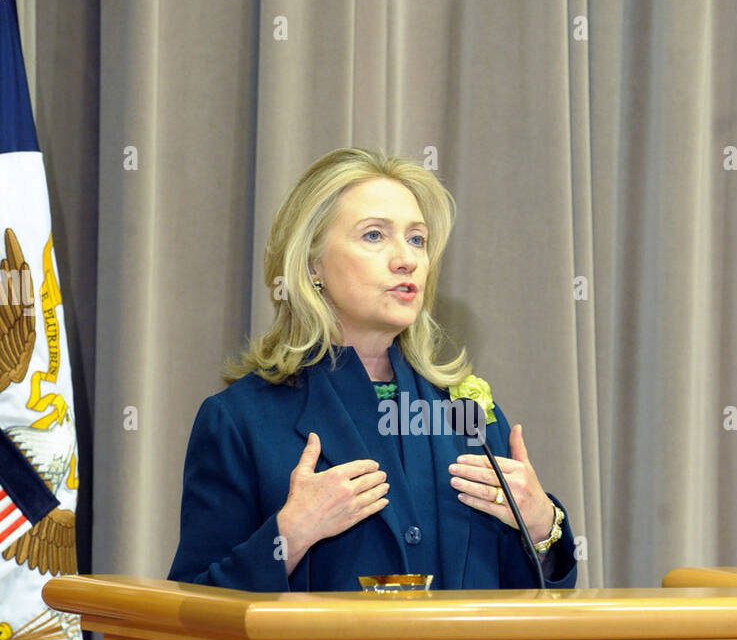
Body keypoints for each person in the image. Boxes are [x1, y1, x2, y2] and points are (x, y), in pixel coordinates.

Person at [167, 148, 578, 592]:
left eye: (417, 239)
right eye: (374, 236)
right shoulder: (241, 420)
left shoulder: (465, 410)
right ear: (312, 264)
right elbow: (194, 608)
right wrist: (290, 535)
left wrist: (542, 524)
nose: (407, 259)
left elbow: (526, 598)